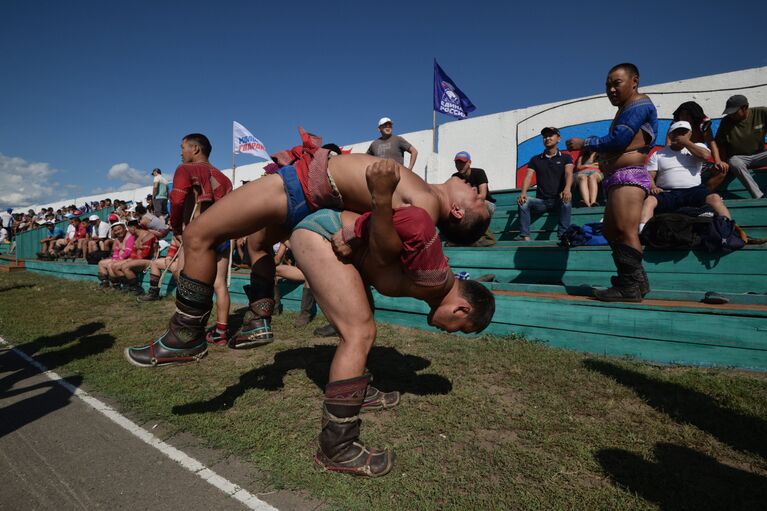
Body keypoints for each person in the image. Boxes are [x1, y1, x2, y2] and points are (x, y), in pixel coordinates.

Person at [124, 128, 490, 366]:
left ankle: (186, 335)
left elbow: (387, 240)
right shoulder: (422, 193)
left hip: (300, 188)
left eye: (476, 201)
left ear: (457, 212)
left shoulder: (424, 204)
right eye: (478, 193)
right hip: (310, 192)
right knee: (258, 243)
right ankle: (259, 319)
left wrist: (355, 231)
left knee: (198, 235)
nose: (477, 191)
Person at [288, 159, 495, 476]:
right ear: (461, 309)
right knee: (359, 333)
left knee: (363, 317)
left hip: (327, 233)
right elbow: (415, 220)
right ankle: (337, 447)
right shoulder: (436, 278)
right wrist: (356, 232)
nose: (451, 333)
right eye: (460, 330)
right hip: (324, 235)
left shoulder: (434, 283)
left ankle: (358, 390)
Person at [125, 133, 235, 366]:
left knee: (185, 276)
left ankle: (185, 337)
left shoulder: (185, 170)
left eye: (183, 147)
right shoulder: (224, 179)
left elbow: (177, 200)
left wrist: (175, 226)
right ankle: (221, 332)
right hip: (222, 234)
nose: (181, 152)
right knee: (220, 284)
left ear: (195, 149)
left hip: (197, 234)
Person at [566, 62, 658, 302]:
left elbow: (619, 140)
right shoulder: (627, 107)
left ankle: (630, 286)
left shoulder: (639, 105)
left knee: (625, 230)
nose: (611, 90)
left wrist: (584, 143)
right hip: (617, 177)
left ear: (634, 81)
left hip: (629, 175)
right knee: (610, 229)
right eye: (608, 86)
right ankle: (637, 282)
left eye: (617, 83)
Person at [640, 120, 732, 227]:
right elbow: (649, 175)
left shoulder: (698, 146)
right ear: (670, 134)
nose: (680, 135)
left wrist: (686, 142)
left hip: (694, 191)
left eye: (683, 132)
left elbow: (706, 156)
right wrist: (653, 186)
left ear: (690, 134)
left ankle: (728, 228)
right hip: (669, 192)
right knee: (650, 200)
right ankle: (643, 230)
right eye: (676, 132)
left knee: (715, 198)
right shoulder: (658, 154)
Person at [517, 127, 574, 240]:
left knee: (567, 202)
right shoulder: (535, 159)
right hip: (541, 202)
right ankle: (525, 236)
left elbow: (569, 173)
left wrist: (567, 189)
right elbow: (528, 176)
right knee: (523, 201)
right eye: (545, 136)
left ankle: (563, 236)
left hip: (559, 199)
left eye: (551, 135)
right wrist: (523, 193)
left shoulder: (566, 158)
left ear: (558, 138)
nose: (547, 138)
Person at [713, 95, 767, 199]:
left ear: (745, 107)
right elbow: (721, 144)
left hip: (760, 155)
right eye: (729, 112)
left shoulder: (762, 112)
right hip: (739, 158)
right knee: (734, 161)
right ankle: (759, 196)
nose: (731, 115)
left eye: (734, 112)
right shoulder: (725, 121)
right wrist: (722, 161)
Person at [451, 151, 497, 246]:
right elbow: (453, 196)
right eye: (457, 163)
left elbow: (482, 196)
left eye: (462, 163)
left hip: (486, 205)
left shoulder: (479, 173)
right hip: (466, 206)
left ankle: (489, 238)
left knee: (473, 207)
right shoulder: (455, 177)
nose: (460, 165)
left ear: (469, 162)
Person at [112, 219, 158, 294]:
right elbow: (133, 251)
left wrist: (130, 260)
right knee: (116, 266)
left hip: (149, 260)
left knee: (125, 266)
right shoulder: (135, 236)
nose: (128, 231)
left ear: (133, 227)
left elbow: (145, 254)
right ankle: (127, 286)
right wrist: (130, 259)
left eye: (128, 228)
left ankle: (136, 288)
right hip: (138, 259)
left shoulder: (148, 236)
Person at [97, 222, 134, 289]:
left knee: (110, 265)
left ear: (124, 228)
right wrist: (115, 258)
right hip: (120, 259)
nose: (118, 232)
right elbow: (116, 251)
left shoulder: (130, 237)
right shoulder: (117, 239)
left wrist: (118, 259)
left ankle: (116, 285)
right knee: (101, 263)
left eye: (119, 229)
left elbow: (128, 252)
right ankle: (105, 283)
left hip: (129, 259)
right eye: (115, 231)